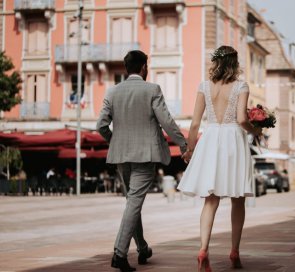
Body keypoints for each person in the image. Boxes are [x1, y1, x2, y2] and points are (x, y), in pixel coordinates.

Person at [97, 50, 187, 272]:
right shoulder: (152, 90)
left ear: (126, 68)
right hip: (145, 155)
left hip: (121, 156)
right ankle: (119, 254)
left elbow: (100, 125)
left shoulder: (113, 91)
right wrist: (183, 144)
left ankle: (143, 248)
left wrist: (115, 140)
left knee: (132, 202)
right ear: (144, 67)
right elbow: (166, 121)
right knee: (134, 202)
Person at [178, 46, 262, 271]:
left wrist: (189, 150)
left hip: (211, 137)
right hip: (233, 139)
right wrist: (257, 131)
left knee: (210, 199)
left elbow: (195, 124)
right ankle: (234, 252)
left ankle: (203, 249)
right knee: (238, 199)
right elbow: (242, 119)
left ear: (216, 62)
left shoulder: (204, 86)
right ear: (234, 64)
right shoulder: (241, 85)